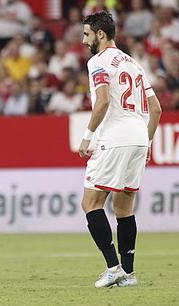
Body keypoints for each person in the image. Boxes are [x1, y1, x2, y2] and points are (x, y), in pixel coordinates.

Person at [79, 11, 162, 288]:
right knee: (124, 207)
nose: (83, 40)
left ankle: (113, 268)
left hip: (115, 137)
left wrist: (87, 136)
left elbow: (102, 101)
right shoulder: (133, 63)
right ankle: (129, 274)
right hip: (139, 137)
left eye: (87, 34)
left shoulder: (98, 61)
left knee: (91, 203)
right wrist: (147, 142)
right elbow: (157, 109)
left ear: (100, 34)